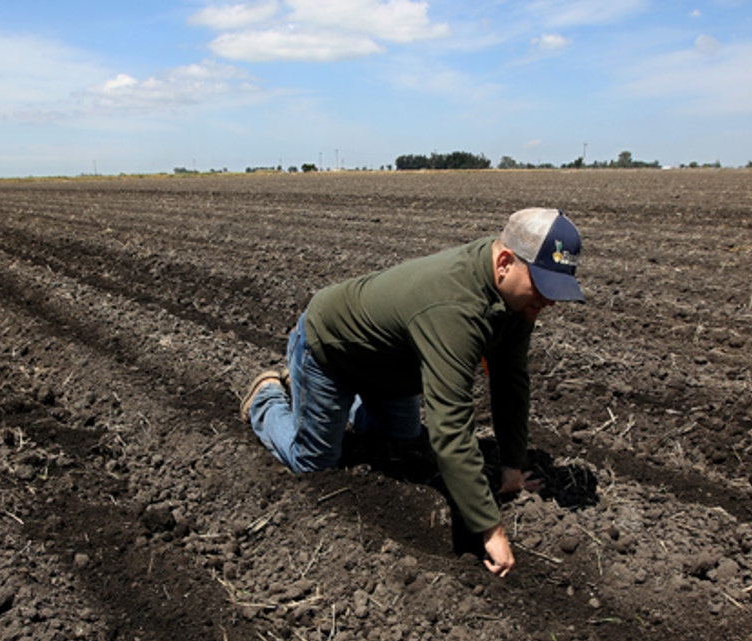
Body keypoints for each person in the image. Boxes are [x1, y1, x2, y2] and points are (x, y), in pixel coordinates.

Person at [240, 207, 585, 577]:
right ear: (504, 261)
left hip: (391, 366)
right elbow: (450, 427)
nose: (550, 302)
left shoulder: (518, 302)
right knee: (314, 460)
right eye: (543, 287)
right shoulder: (455, 307)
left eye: (557, 290)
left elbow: (510, 380)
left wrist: (512, 466)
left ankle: (334, 404)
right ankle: (269, 396)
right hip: (331, 351)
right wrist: (490, 528)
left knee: (401, 438)